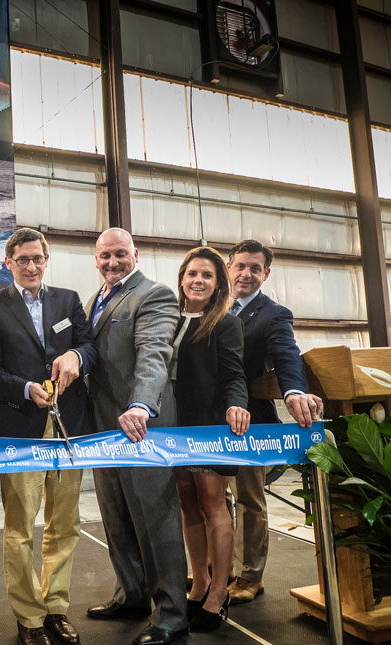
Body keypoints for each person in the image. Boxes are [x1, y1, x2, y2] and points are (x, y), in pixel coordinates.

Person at [0, 228, 97, 645]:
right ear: (8, 262)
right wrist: (25, 388)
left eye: (38, 259)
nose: (31, 266)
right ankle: (28, 617)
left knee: (65, 525)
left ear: (47, 260)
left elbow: (89, 347)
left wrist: (76, 355)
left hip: (69, 430)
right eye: (23, 259)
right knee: (19, 530)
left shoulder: (68, 300)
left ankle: (56, 608)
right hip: (20, 429)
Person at [84, 228, 189, 645]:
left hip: (143, 428)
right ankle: (132, 594)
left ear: (136, 254)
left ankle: (172, 616)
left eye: (120, 254)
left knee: (156, 522)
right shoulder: (95, 300)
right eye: (105, 256)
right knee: (116, 517)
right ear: (96, 259)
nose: (112, 262)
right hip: (104, 430)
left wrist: (142, 405)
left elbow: (154, 352)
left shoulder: (154, 295)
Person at [225, 239, 322, 604]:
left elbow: (287, 356)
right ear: (229, 267)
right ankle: (220, 568)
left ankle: (249, 576)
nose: (246, 273)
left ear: (265, 274)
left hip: (251, 422)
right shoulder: (213, 306)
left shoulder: (273, 314)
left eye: (255, 268)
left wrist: (294, 391)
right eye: (240, 266)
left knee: (248, 500)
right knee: (214, 500)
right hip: (209, 421)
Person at [170, 246, 250, 631]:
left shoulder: (225, 323)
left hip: (209, 426)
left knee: (213, 503)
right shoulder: (170, 319)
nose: (198, 281)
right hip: (174, 427)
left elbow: (234, 374)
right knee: (187, 503)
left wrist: (236, 405)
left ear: (218, 284)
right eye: (192, 274)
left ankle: (220, 591)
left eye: (207, 275)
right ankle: (199, 582)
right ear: (182, 279)